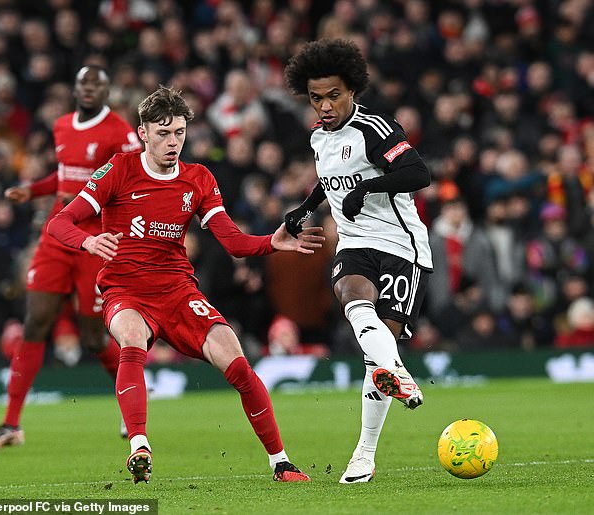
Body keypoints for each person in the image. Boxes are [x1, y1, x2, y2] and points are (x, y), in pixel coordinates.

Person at [46, 86, 323, 483]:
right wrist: (88, 240)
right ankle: (139, 444)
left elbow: (232, 241)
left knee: (239, 364)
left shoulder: (198, 178)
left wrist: (271, 243)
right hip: (126, 289)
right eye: (163, 133)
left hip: (178, 291)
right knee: (130, 337)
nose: (172, 142)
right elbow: (59, 223)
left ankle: (281, 462)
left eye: (178, 132)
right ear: (143, 132)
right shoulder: (118, 170)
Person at [283, 39, 433, 484]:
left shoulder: (376, 129)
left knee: (375, 355)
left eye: (333, 95)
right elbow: (330, 179)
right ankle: (399, 373)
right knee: (351, 296)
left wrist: (367, 190)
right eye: (315, 97)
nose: (324, 105)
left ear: (352, 90)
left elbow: (418, 173)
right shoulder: (318, 137)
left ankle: (364, 453)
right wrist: (306, 207)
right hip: (353, 242)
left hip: (402, 247)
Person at [0, 65, 142, 451]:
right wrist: (33, 190)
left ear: (106, 90)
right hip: (57, 231)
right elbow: (66, 175)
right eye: (83, 83)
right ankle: (11, 424)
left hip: (95, 239)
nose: (88, 89)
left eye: (96, 84)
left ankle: (131, 397)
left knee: (92, 335)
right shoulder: (62, 125)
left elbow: (133, 181)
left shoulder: (121, 133)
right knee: (35, 321)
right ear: (74, 88)